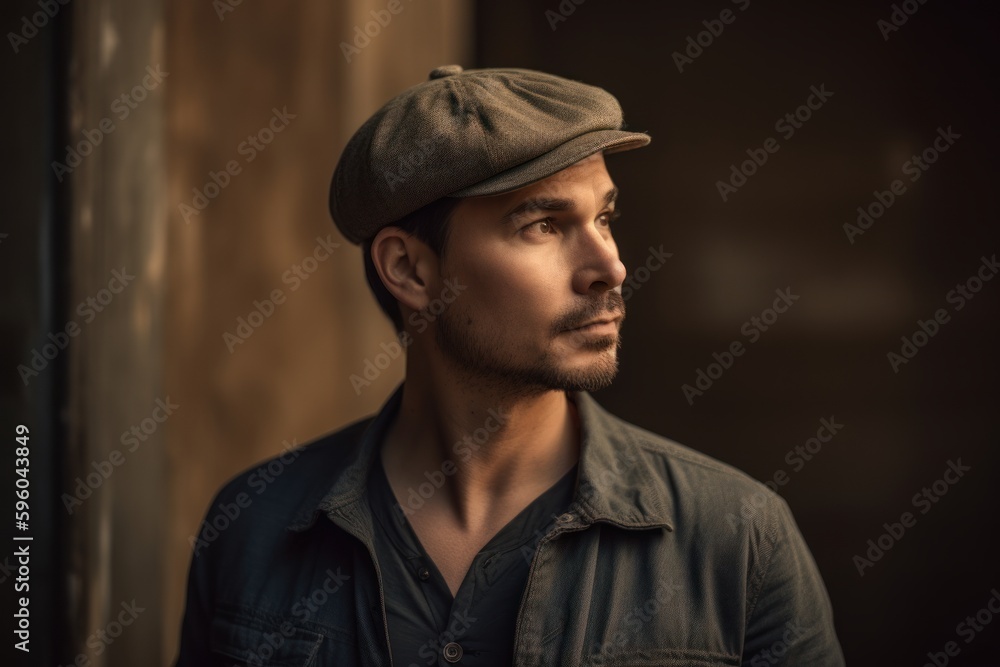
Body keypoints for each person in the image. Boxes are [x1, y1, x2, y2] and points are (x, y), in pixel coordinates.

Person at [175, 64, 845, 666]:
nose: (609, 266)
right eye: (544, 227)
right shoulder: (253, 527)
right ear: (408, 268)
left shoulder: (737, 539)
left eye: (604, 218)